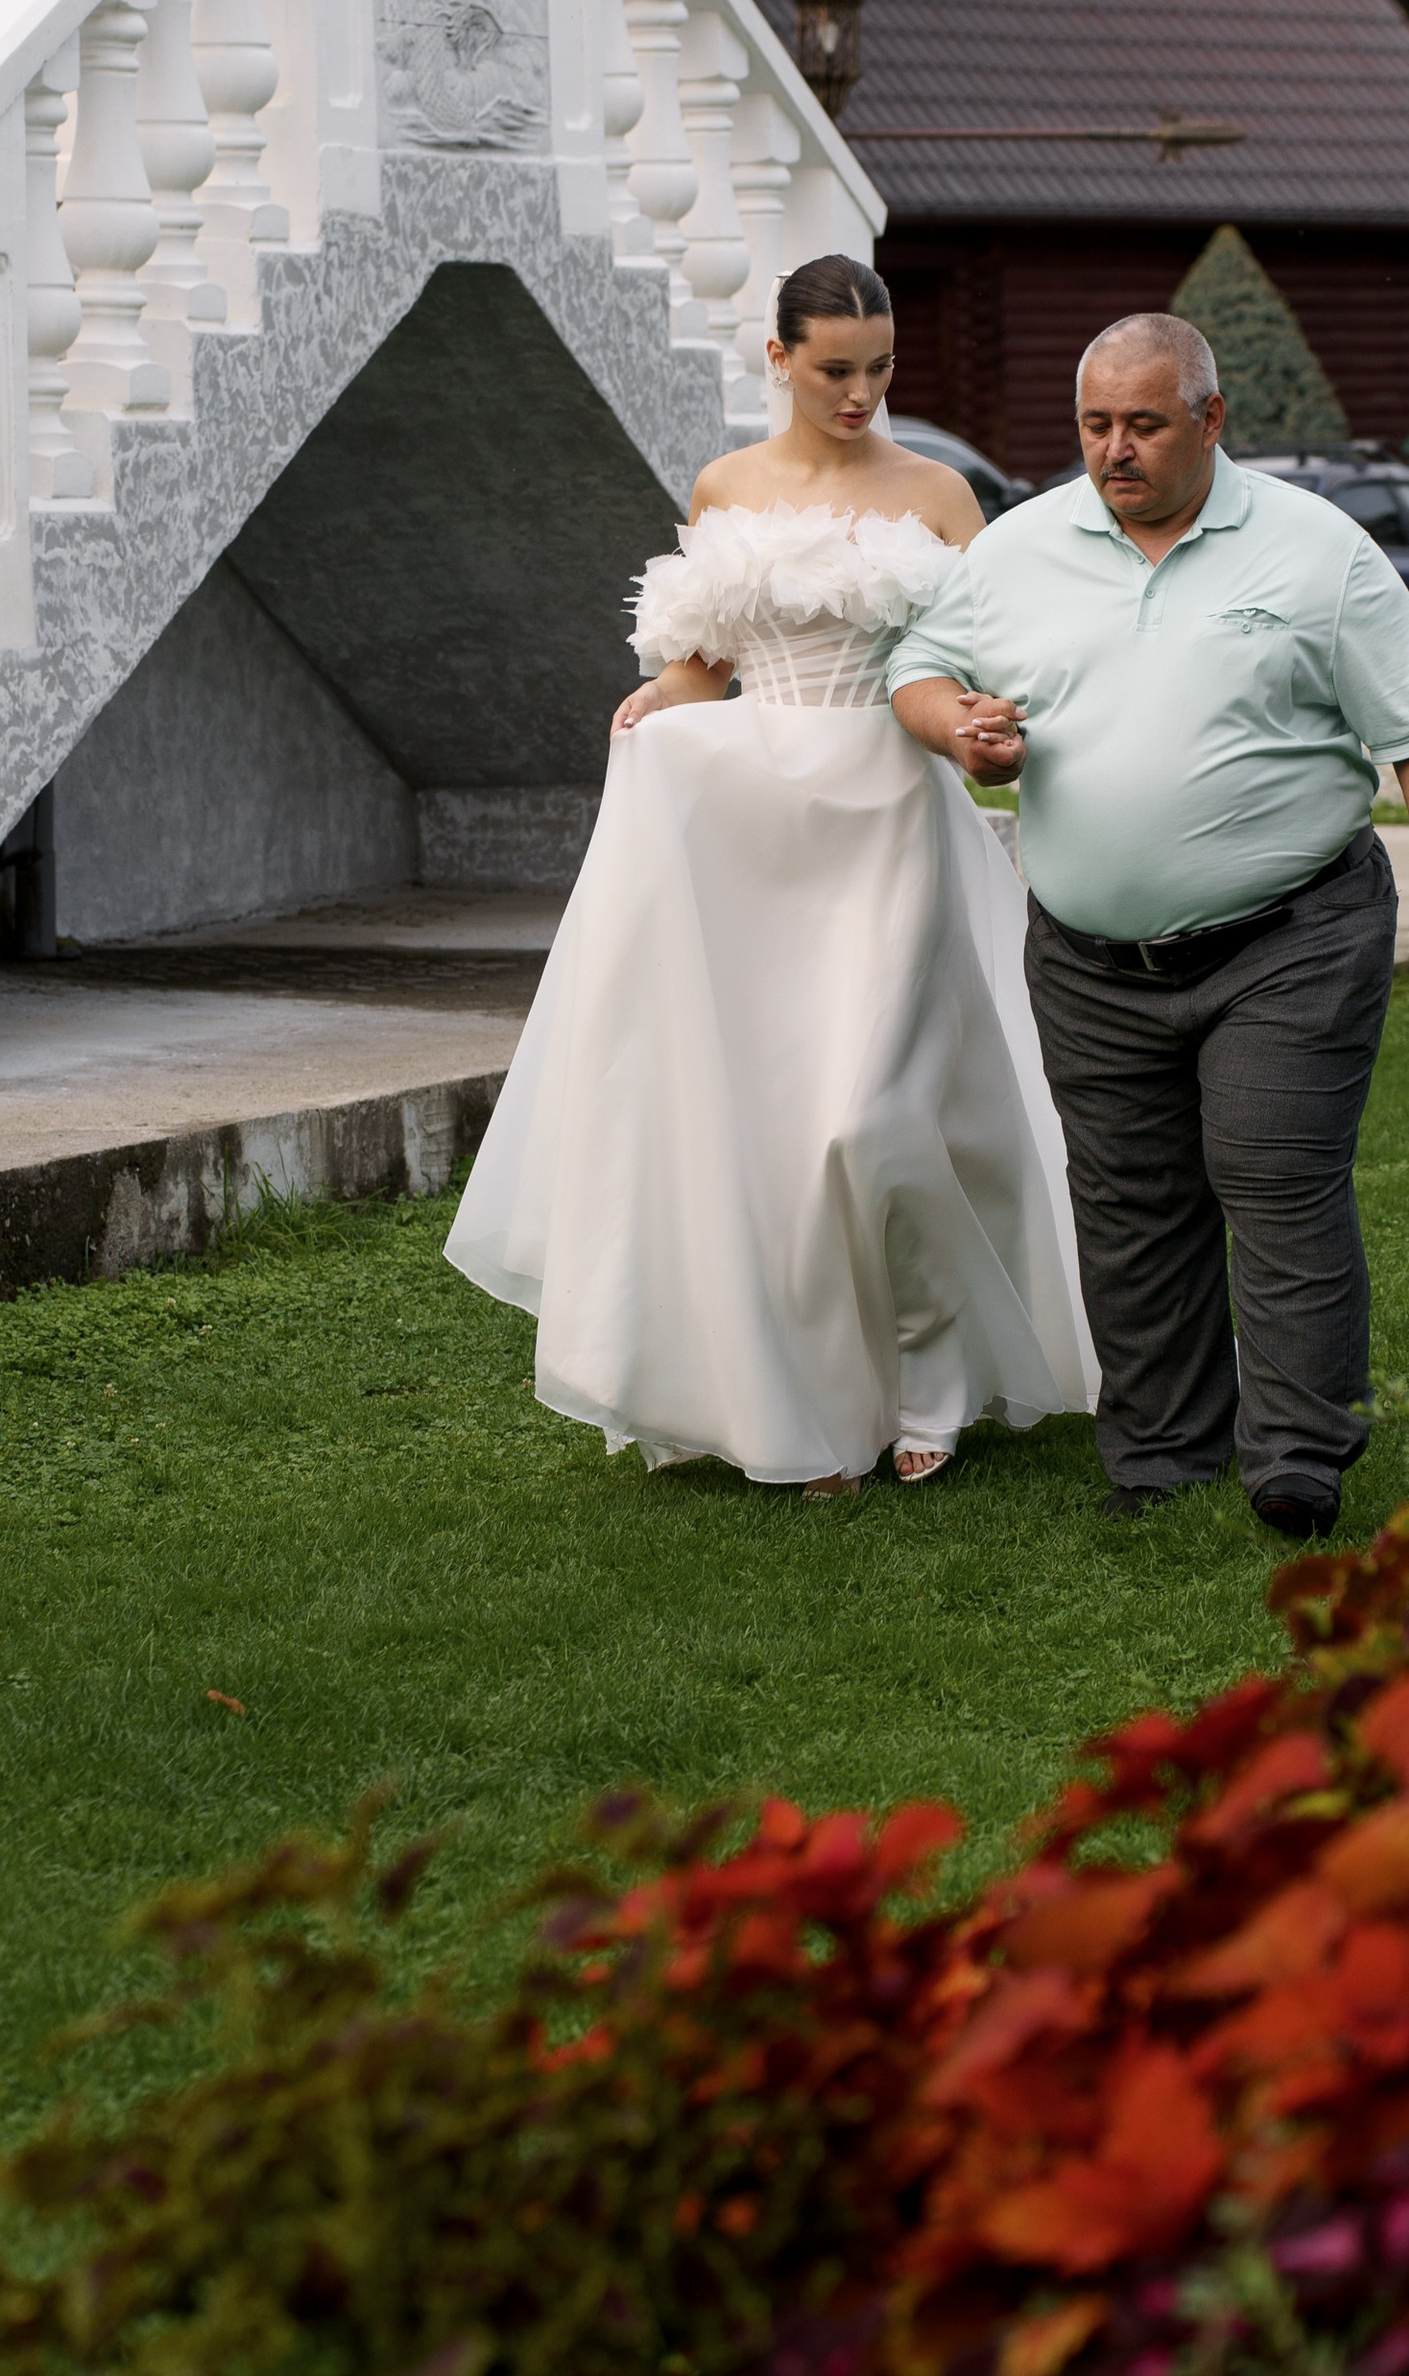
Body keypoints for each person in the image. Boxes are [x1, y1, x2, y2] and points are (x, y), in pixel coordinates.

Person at [445, 257, 1093, 1491]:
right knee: (773, 1127)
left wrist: (985, 720)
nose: (862, 391)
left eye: (881, 367)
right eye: (836, 367)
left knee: (877, 1120)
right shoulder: (726, 488)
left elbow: (996, 654)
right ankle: (795, 1405)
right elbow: (704, 665)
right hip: (751, 830)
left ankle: (933, 1382)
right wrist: (653, 705)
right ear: (779, 359)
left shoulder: (943, 495)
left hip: (893, 818)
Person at [887, 312, 1409, 1537]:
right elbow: (918, 660)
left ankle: (1295, 1461)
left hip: (1288, 934)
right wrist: (957, 723)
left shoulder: (1316, 550)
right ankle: (1161, 1454)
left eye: (1144, 425)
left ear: (1211, 422)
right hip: (1089, 954)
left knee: (1273, 1182)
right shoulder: (1018, 549)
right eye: (1096, 425)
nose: (1115, 450)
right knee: (1129, 1200)